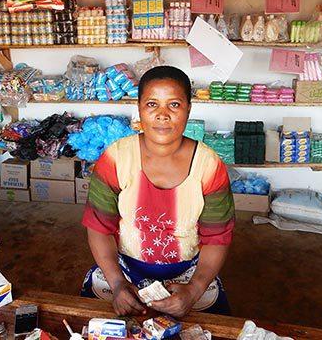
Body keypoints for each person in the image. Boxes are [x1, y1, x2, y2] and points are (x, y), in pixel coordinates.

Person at [81, 66, 235, 318]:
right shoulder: (116, 158)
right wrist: (117, 284)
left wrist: (194, 290)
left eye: (174, 105)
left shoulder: (208, 165)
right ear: (139, 107)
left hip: (188, 274)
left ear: (188, 109)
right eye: (152, 104)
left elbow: (217, 237)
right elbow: (99, 228)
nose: (162, 115)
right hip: (124, 270)